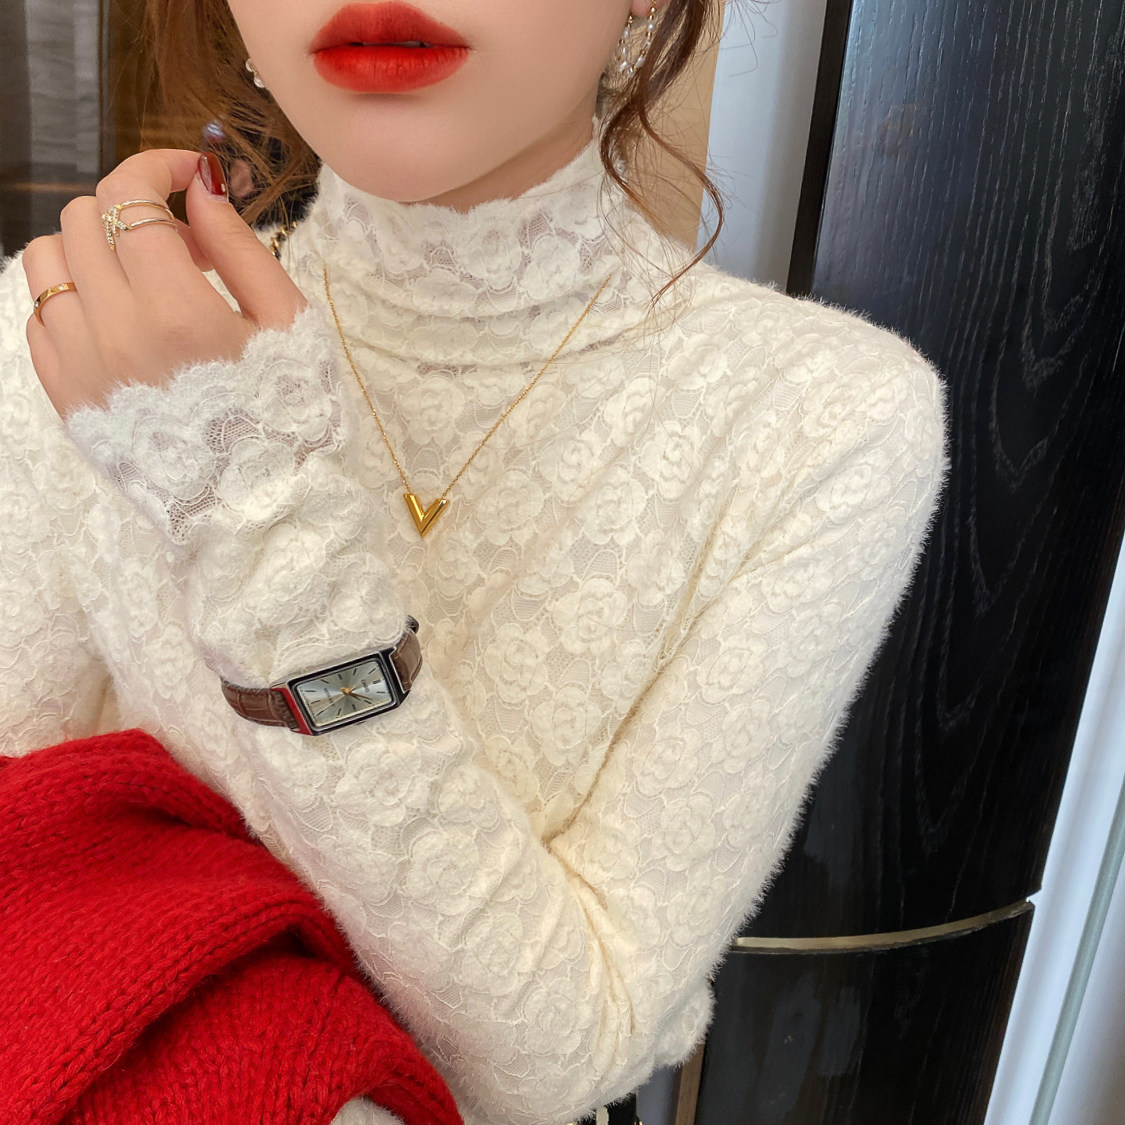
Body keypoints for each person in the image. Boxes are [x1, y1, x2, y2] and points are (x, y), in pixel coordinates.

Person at [0, 1, 946, 1123]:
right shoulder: (62, 330)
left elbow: (553, 1061)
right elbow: (27, 874)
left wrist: (250, 510)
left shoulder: (825, 421)